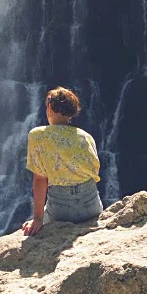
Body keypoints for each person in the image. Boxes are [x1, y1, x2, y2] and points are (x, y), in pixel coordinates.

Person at [22, 86, 103, 236]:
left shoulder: (38, 135)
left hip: (61, 209)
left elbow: (40, 180)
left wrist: (38, 219)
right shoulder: (86, 137)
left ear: (50, 109)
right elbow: (94, 172)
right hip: (91, 205)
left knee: (33, 226)